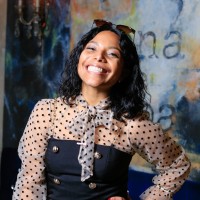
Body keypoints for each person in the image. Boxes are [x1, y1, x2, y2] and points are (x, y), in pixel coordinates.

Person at [12, 19, 191, 200]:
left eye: (112, 54)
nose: (99, 57)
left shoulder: (133, 124)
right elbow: (29, 181)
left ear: (123, 72)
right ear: (79, 58)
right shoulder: (46, 111)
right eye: (91, 48)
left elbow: (177, 165)